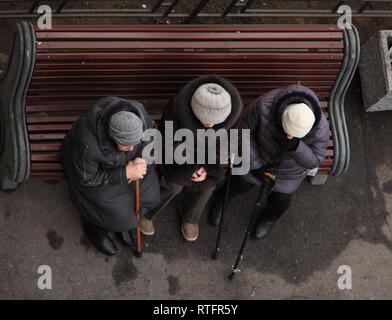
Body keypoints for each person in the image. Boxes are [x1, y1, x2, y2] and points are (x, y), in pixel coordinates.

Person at [210, 84, 330, 239]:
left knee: (280, 200)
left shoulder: (321, 128)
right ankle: (223, 199)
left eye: (295, 136)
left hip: (288, 172)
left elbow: (315, 160)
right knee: (238, 182)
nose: (289, 137)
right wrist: (256, 165)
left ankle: (270, 218)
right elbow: (242, 133)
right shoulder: (264, 105)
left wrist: (297, 147)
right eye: (288, 132)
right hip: (257, 156)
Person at [140, 75, 243, 242]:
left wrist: (206, 168)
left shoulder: (234, 113)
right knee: (172, 186)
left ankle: (190, 217)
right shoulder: (176, 107)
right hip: (178, 158)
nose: (210, 125)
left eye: (215, 123)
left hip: (209, 160)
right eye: (205, 121)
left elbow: (230, 143)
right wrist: (191, 166)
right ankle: (146, 212)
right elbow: (167, 141)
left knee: (207, 186)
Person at [61, 96, 160, 256]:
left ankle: (124, 225)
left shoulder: (138, 112)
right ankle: (96, 228)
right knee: (118, 216)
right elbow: (88, 178)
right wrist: (124, 174)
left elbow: (150, 135)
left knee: (152, 196)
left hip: (130, 164)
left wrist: (141, 155)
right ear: (112, 136)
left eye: (135, 142)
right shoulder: (86, 142)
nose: (131, 147)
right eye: (126, 145)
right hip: (97, 174)